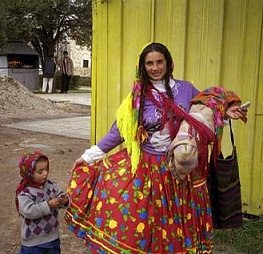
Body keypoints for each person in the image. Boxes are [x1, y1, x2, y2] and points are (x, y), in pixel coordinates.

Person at [65, 42, 246, 253]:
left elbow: (204, 114)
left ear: (169, 63)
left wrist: (225, 113)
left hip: (178, 171)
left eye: (160, 61)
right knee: (142, 219)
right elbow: (118, 133)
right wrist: (89, 157)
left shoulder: (186, 90)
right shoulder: (136, 98)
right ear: (143, 67)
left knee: (175, 220)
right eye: (149, 63)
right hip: (146, 169)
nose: (155, 67)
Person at [16, 151, 69, 254]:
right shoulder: (25, 192)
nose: (45, 173)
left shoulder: (51, 185)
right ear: (29, 173)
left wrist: (64, 200)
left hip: (52, 236)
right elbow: (28, 211)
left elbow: (60, 194)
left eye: (47, 169)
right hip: (33, 241)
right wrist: (48, 205)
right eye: (40, 172)